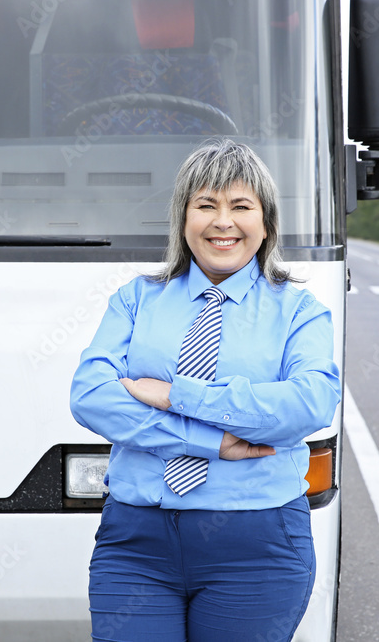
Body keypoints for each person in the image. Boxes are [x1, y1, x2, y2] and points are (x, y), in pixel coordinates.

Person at [70, 139, 341, 641]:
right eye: (206, 205)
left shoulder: (300, 312)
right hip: (137, 543)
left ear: (265, 222)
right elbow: (90, 396)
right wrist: (210, 443)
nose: (223, 222)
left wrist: (177, 395)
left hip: (257, 548)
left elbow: (308, 404)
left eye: (241, 206)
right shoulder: (136, 299)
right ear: (183, 218)